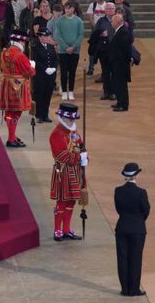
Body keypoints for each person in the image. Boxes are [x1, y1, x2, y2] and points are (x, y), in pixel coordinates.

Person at [49, 103, 87, 242]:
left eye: (73, 119)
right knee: (62, 201)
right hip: (63, 172)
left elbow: (81, 146)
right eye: (68, 119)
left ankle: (66, 229)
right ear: (62, 117)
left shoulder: (74, 133)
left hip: (76, 172)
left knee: (71, 202)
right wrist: (79, 157)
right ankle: (57, 229)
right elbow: (62, 156)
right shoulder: (56, 134)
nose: (71, 121)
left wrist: (85, 156)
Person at [114, 162, 150, 297]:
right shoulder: (141, 192)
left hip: (122, 227)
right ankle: (134, 289)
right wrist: (139, 221)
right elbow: (146, 210)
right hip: (137, 229)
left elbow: (118, 209)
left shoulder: (118, 190)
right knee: (135, 259)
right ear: (136, 176)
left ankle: (125, 289)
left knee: (122, 258)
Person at [0, 30, 35, 147]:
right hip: (17, 86)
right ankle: (11, 138)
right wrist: (32, 65)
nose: (24, 45)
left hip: (6, 85)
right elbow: (29, 72)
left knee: (9, 112)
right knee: (15, 113)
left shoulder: (5, 52)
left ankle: (12, 135)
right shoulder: (20, 55)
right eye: (24, 42)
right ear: (20, 42)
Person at [53, 1, 84, 101]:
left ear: (73, 9)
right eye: (66, 8)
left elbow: (80, 35)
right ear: (64, 9)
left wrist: (73, 47)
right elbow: (58, 35)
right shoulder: (60, 21)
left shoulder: (79, 21)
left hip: (75, 51)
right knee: (63, 71)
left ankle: (71, 91)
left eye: (70, 8)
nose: (68, 10)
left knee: (72, 72)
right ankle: (64, 92)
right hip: (63, 50)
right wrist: (66, 47)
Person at [88, 2, 116, 101]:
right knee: (106, 72)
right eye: (108, 8)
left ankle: (113, 92)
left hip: (115, 52)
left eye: (112, 8)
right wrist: (101, 34)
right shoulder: (101, 21)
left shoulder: (118, 20)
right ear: (105, 10)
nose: (110, 10)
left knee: (114, 72)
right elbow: (94, 35)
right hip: (103, 51)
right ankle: (106, 92)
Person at [32, 27, 57, 123]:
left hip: (50, 76)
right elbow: (35, 61)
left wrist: (54, 68)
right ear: (39, 36)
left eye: (47, 36)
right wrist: (45, 69)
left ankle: (45, 114)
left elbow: (56, 59)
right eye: (44, 36)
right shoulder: (35, 47)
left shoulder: (51, 46)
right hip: (40, 75)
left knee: (48, 95)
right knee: (39, 95)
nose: (46, 38)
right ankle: (39, 115)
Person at [109, 14, 133, 112]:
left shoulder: (123, 32)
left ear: (118, 22)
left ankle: (124, 105)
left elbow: (125, 50)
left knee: (122, 85)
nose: (111, 23)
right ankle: (119, 102)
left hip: (121, 64)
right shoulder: (119, 31)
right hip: (117, 63)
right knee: (117, 84)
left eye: (112, 21)